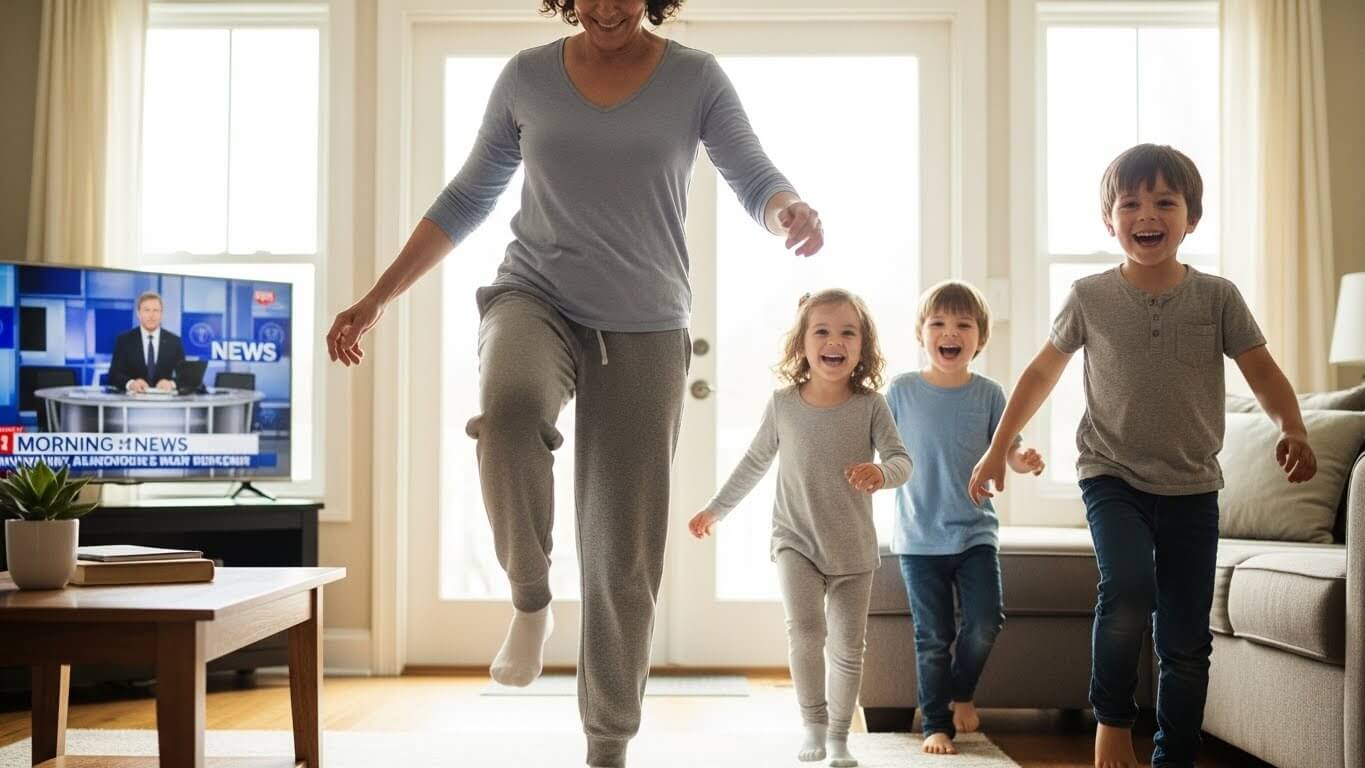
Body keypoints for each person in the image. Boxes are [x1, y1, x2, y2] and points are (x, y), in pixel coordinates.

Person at [325, 2, 824, 766]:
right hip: (535, 295)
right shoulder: (527, 76)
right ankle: (530, 598)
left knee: (621, 549)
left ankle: (606, 744)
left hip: (647, 322)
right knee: (511, 410)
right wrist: (376, 298)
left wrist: (787, 208)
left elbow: (752, 174)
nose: (605, 8)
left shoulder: (695, 77)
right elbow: (467, 197)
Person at [966, 144, 1318, 768]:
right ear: (1110, 220)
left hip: (1192, 486)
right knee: (1126, 586)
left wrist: (1292, 426)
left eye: (1164, 202)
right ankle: (1111, 721)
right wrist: (998, 449)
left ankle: (1174, 755)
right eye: (1130, 203)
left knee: (1185, 639)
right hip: (1112, 475)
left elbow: (1261, 370)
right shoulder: (1089, 296)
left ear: (1191, 218)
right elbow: (1041, 374)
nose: (1146, 214)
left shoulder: (1218, 298)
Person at [688, 289, 909, 768]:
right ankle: (812, 722)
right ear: (803, 345)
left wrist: (881, 473)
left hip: (853, 550)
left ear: (863, 346)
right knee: (806, 633)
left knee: (849, 647)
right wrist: (716, 508)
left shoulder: (871, 406)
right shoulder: (784, 404)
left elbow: (900, 460)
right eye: (822, 331)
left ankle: (838, 738)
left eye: (848, 332)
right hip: (796, 541)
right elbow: (753, 462)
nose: (835, 341)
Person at [884, 280, 1045, 755]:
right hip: (918, 538)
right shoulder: (902, 391)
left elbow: (1007, 450)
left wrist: (1023, 460)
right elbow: (880, 447)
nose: (949, 333)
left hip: (975, 532)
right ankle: (936, 723)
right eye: (938, 323)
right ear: (921, 333)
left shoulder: (990, 394)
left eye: (962, 324)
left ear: (980, 337)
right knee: (933, 636)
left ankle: (961, 692)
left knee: (985, 621)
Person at [108, 291, 184, 393]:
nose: (151, 315)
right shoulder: (124, 340)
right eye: (147, 310)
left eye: (156, 310)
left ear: (161, 314)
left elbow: (185, 377)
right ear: (138, 313)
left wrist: (171, 384)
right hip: (132, 403)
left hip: (166, 403)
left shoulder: (174, 342)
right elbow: (114, 374)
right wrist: (131, 384)